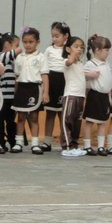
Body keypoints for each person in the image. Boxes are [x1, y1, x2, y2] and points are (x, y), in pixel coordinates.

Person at [11, 27, 48, 155]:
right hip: (21, 88)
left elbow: (44, 76)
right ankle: (18, 143)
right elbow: (16, 77)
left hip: (34, 89)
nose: (27, 45)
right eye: (25, 42)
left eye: (31, 42)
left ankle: (35, 144)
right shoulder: (19, 57)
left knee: (34, 117)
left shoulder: (41, 57)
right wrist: (15, 93)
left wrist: (45, 92)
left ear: (38, 42)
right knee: (20, 117)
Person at [41, 22, 70, 152]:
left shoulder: (69, 49)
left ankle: (65, 141)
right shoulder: (49, 50)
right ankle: (47, 142)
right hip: (52, 82)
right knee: (50, 113)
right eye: (52, 36)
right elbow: (45, 70)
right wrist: (45, 91)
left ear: (66, 36)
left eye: (57, 36)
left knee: (63, 114)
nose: (54, 39)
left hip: (66, 81)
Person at [82, 34, 112, 156]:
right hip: (95, 96)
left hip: (105, 97)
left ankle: (101, 146)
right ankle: (87, 146)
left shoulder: (106, 64)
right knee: (89, 122)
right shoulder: (91, 64)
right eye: (106, 50)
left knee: (102, 122)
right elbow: (81, 75)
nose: (108, 53)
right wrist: (90, 75)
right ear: (97, 50)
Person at [60, 36, 87, 157]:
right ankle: (67, 147)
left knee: (77, 123)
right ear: (68, 49)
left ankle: (74, 145)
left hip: (80, 97)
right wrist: (72, 55)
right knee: (67, 121)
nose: (79, 49)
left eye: (81, 47)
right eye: (76, 46)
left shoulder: (80, 63)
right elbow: (68, 62)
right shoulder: (66, 62)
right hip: (71, 96)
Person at [0, 33, 21, 151]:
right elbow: (9, 55)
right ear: (6, 45)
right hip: (2, 96)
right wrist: (20, 50)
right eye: (16, 45)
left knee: (11, 121)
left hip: (12, 96)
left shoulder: (14, 59)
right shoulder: (1, 56)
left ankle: (13, 142)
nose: (19, 48)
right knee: (0, 120)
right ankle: (0, 143)